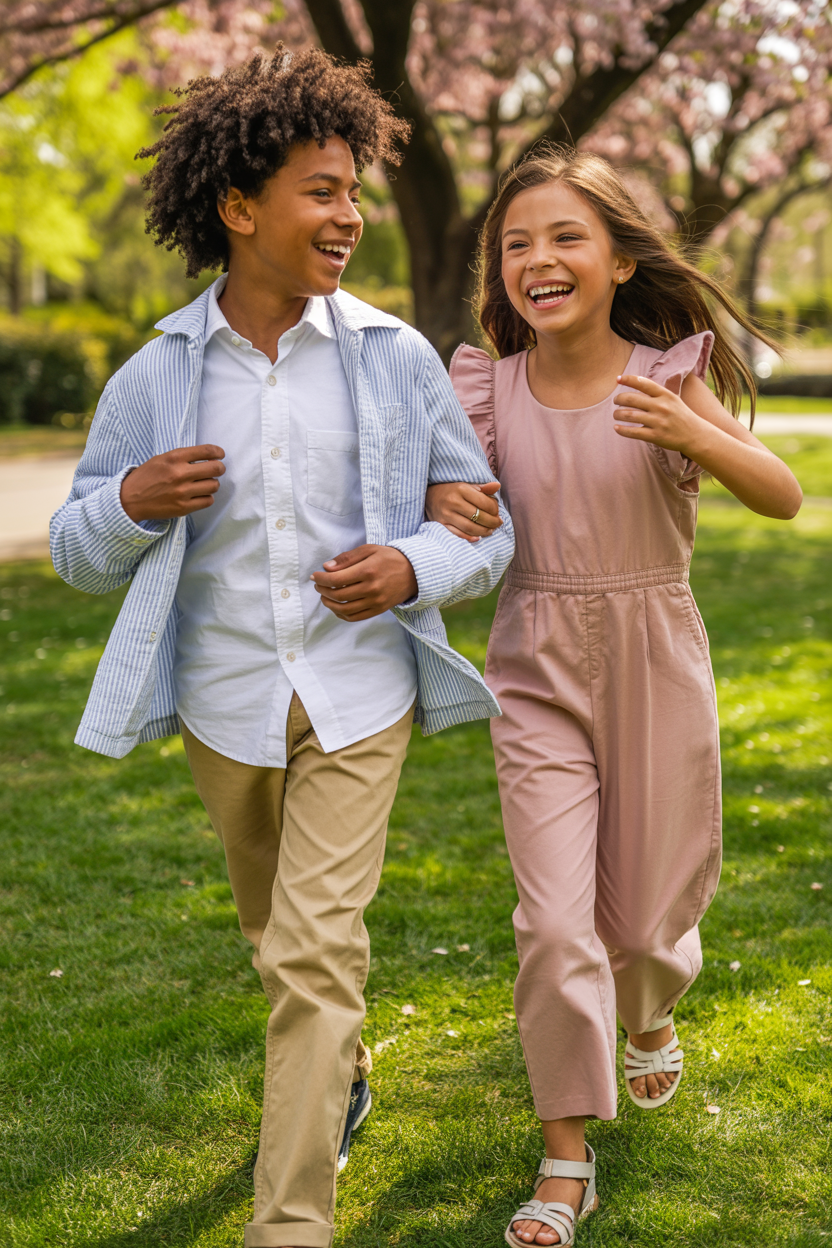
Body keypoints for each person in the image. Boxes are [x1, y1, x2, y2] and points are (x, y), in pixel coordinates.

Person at [50, 48, 514, 1248]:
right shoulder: (156, 376)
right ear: (238, 207)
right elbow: (76, 553)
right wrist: (130, 503)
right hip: (227, 707)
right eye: (322, 191)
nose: (350, 215)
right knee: (280, 943)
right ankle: (342, 1074)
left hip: (360, 698)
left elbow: (484, 525)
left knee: (312, 952)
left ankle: (291, 1223)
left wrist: (413, 566)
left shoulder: (394, 359)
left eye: (355, 191)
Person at [425, 145, 802, 1248]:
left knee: (640, 926)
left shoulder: (667, 376)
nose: (537, 259)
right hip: (534, 665)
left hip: (654, 660)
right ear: (501, 274)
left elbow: (781, 495)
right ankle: (564, 1161)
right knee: (554, 922)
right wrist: (445, 507)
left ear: (621, 260)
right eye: (515, 244)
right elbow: (454, 507)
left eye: (564, 237)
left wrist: (696, 433)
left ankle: (649, 1011)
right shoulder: (486, 387)